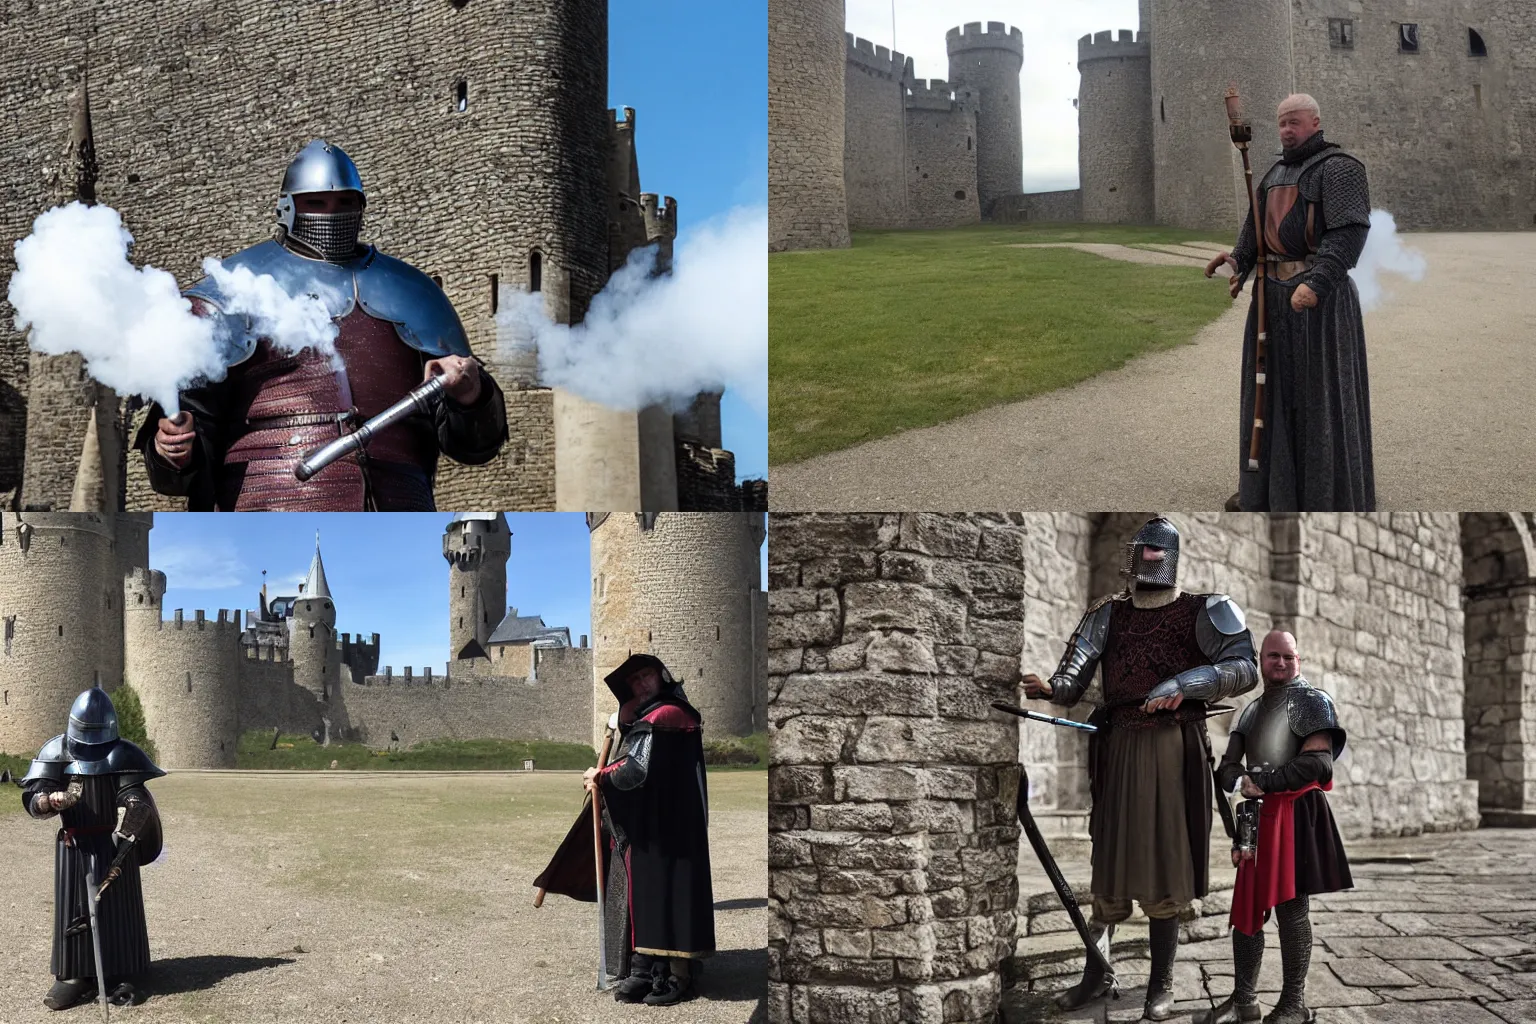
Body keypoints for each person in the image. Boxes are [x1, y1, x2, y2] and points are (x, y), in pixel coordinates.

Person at [133, 139, 508, 510]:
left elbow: (475, 445)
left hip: (399, 501)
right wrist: (173, 449)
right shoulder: (230, 288)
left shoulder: (414, 293)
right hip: (269, 502)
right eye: (316, 204)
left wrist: (472, 396)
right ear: (288, 208)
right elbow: (183, 444)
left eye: (345, 203)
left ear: (361, 208)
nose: (331, 215)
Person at [1023, 516, 1259, 1020]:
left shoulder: (1206, 609)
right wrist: (1050, 689)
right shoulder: (1108, 613)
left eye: (1157, 552)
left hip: (1173, 748)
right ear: (1132, 555)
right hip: (1118, 745)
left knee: (1165, 858)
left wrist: (1184, 684)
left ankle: (1162, 983)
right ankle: (1096, 971)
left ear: (1170, 556)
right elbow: (1074, 673)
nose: (1148, 559)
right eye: (1142, 550)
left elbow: (1244, 667)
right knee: (1108, 857)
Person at [1205, 94, 1374, 513]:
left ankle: (1323, 499)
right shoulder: (1273, 172)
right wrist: (1238, 262)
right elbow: (1255, 230)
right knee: (1269, 398)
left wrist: (1317, 283)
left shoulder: (1340, 169)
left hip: (1319, 304)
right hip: (1271, 301)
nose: (1286, 130)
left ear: (1315, 123)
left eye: (1294, 122)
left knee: (1318, 399)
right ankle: (1268, 494)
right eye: (1282, 123)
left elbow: (1349, 233)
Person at [1200, 630, 1352, 1024]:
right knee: (1247, 908)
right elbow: (1229, 766)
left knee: (1291, 910)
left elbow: (1319, 764)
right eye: (1273, 657)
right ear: (1261, 660)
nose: (1280, 663)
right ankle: (1243, 1000)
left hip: (1296, 814)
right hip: (1255, 819)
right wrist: (1240, 783)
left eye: (1288, 656)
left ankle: (1293, 1004)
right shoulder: (1250, 711)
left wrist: (1263, 782)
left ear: (1297, 659)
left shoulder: (1313, 702)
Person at [18, 686, 165, 1010]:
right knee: (74, 911)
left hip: (113, 846)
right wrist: (47, 800)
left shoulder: (121, 754)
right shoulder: (57, 751)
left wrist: (133, 814)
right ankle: (74, 976)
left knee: (118, 911)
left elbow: (135, 796)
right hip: (74, 847)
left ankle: (124, 971)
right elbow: (33, 794)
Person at [582, 654, 715, 1005]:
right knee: (650, 896)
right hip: (655, 824)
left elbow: (635, 771)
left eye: (646, 676)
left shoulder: (667, 714)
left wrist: (601, 776)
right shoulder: (650, 717)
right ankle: (646, 969)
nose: (641, 684)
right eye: (634, 681)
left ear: (662, 677)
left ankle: (677, 976)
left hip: (673, 828)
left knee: (671, 895)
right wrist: (625, 725)